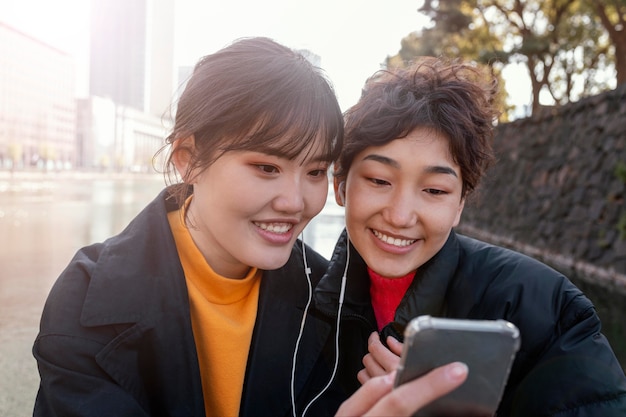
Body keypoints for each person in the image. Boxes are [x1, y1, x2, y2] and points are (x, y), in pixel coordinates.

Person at [32, 37, 467, 417]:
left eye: (315, 171)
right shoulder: (89, 296)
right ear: (188, 159)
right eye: (266, 167)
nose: (295, 202)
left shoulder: (333, 302)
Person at [314, 56, 626, 416]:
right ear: (340, 185)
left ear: (460, 204)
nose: (399, 216)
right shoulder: (301, 298)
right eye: (379, 181)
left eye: (434, 190)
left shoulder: (545, 309)